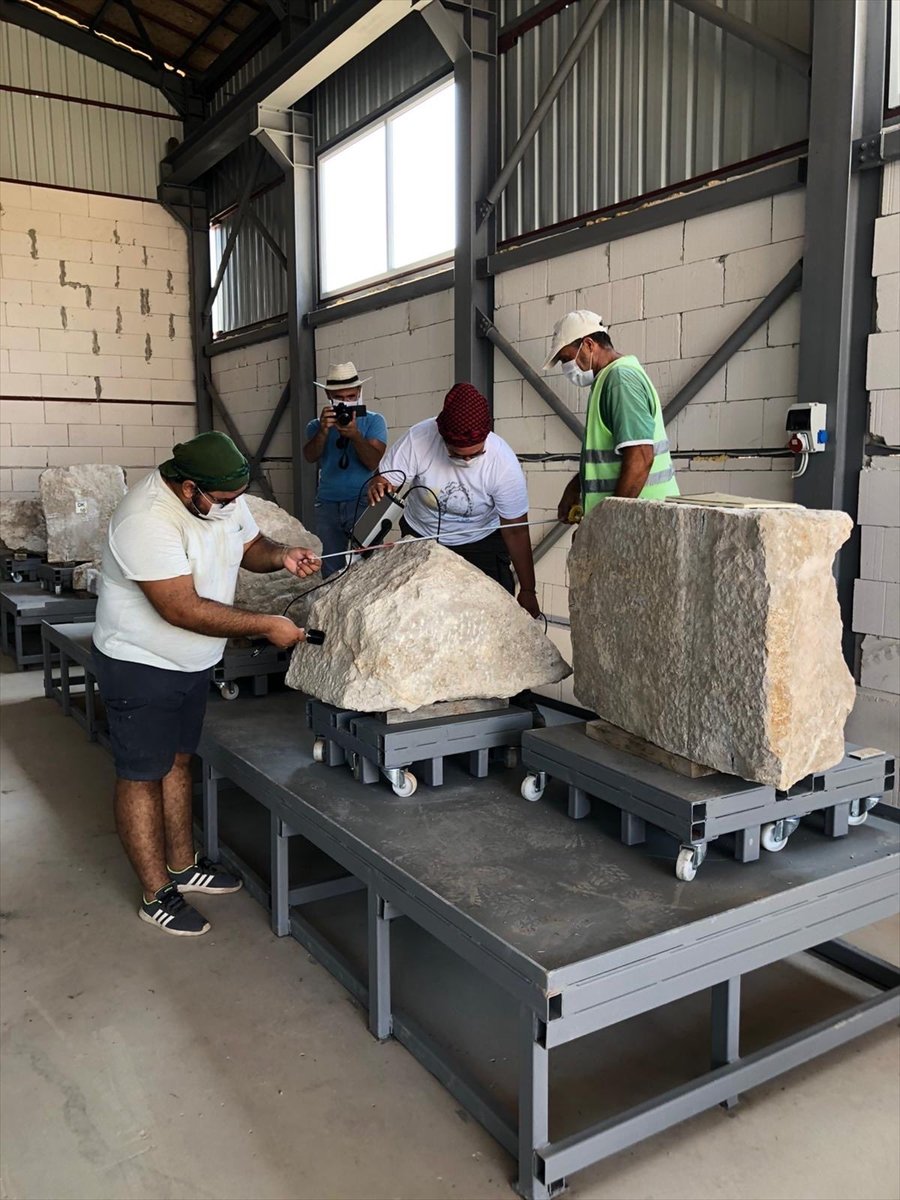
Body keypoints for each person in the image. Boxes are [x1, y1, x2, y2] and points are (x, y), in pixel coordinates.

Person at [92, 431, 321, 938]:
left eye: (235, 500)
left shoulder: (219, 499)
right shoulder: (145, 519)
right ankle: (156, 893)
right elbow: (180, 607)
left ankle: (181, 864)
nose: (230, 509)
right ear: (189, 487)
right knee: (140, 774)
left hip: (193, 663)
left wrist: (282, 555)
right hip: (141, 664)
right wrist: (264, 624)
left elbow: (251, 545)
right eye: (221, 501)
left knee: (177, 760)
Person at [367, 382, 540, 618]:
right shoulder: (419, 439)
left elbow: (516, 531)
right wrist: (378, 488)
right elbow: (384, 484)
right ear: (442, 437)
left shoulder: (502, 462)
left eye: (475, 454)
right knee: (421, 614)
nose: (467, 461)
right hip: (422, 535)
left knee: (491, 613)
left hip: (480, 541)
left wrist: (529, 590)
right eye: (457, 454)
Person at [542, 310, 679, 521]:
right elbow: (613, 458)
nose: (566, 367)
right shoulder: (609, 379)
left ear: (588, 345)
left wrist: (605, 529)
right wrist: (576, 486)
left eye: (567, 358)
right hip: (641, 519)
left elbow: (641, 457)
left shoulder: (620, 380)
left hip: (643, 522)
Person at [303, 360, 387, 577]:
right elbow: (309, 456)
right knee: (331, 565)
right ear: (329, 397)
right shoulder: (316, 425)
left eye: (351, 397)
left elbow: (373, 462)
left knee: (372, 562)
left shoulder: (374, 421)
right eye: (340, 398)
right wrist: (323, 431)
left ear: (360, 392)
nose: (346, 402)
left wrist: (355, 435)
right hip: (328, 503)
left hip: (364, 501)